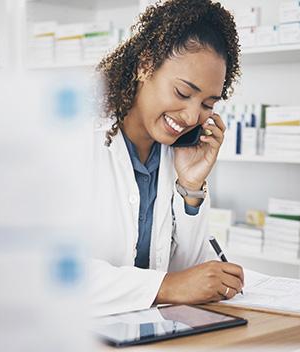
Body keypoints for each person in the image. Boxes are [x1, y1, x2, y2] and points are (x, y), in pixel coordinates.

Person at [90, 0, 244, 316]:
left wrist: (190, 187)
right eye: (183, 93)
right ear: (146, 64)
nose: (191, 116)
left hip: (146, 336)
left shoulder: (174, 154)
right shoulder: (79, 140)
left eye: (207, 104)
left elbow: (188, 275)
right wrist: (167, 286)